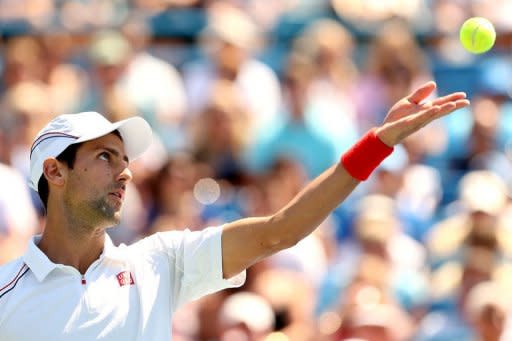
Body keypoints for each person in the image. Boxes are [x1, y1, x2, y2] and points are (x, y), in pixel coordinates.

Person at [0, 81, 469, 340]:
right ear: (55, 173)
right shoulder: (5, 299)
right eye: (105, 157)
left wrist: (377, 144)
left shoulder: (159, 261)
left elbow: (279, 231)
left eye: (126, 161)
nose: (125, 173)